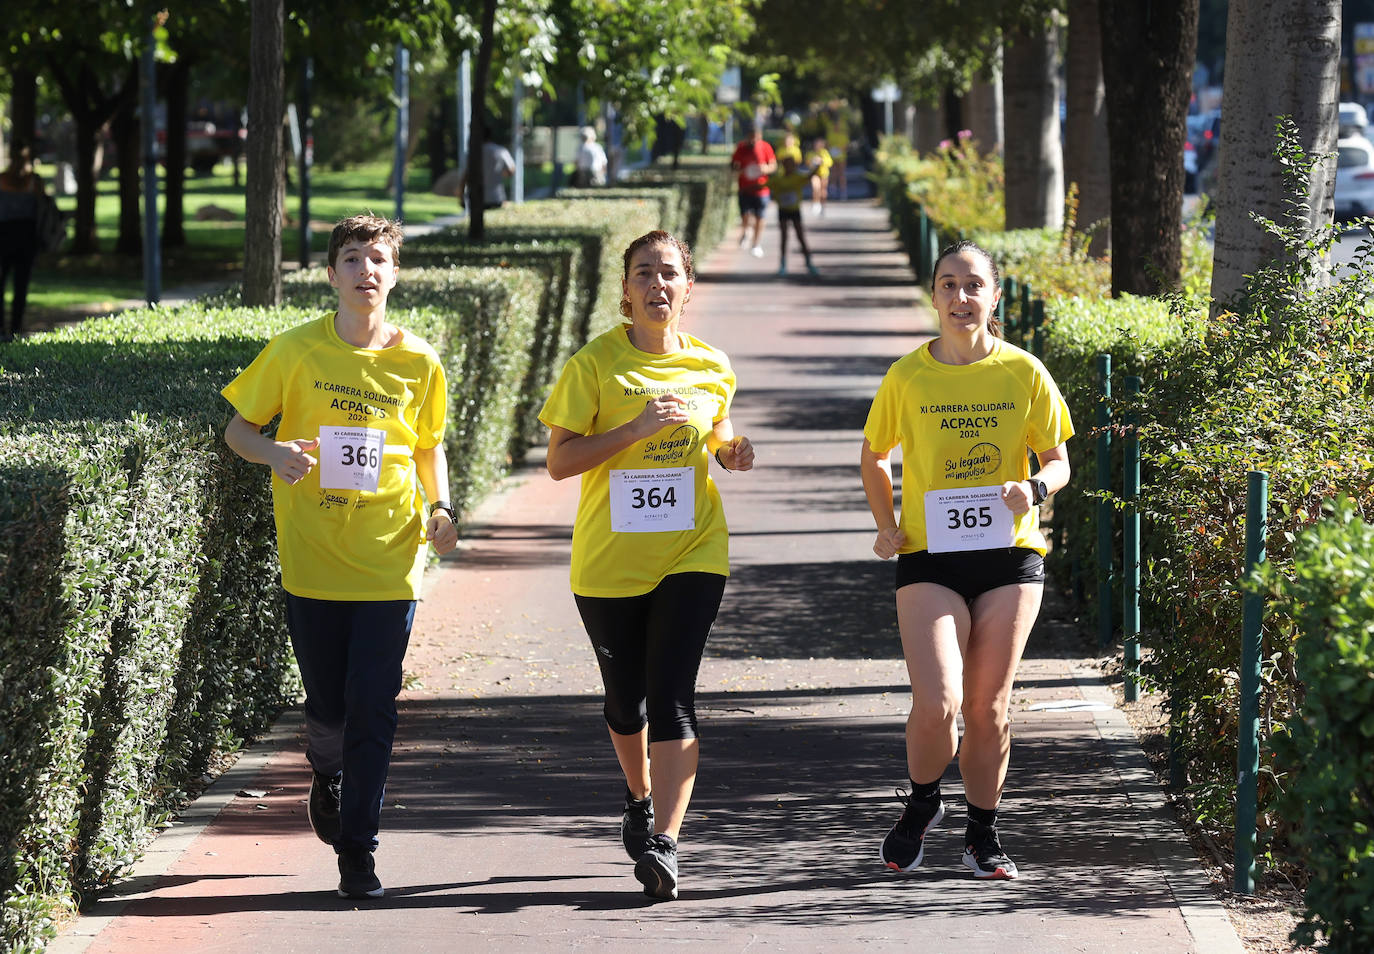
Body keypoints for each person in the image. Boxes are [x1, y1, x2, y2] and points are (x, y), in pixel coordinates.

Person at [221, 213, 459, 899]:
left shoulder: (419, 360)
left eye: (379, 258)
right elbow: (238, 429)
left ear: (395, 272)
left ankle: (359, 851)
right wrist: (274, 452)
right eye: (352, 259)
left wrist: (442, 509)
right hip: (314, 558)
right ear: (332, 275)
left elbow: (427, 445)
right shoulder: (296, 350)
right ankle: (325, 770)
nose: (367, 271)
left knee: (374, 703)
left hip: (390, 557)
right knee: (328, 705)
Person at [539, 229, 755, 901]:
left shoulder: (712, 366)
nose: (657, 285)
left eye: (669, 274)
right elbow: (559, 462)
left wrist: (732, 452)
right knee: (624, 701)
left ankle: (665, 839)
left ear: (687, 287)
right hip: (609, 562)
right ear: (625, 291)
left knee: (672, 695)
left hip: (693, 550)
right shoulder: (593, 366)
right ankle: (637, 795)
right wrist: (632, 430)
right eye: (644, 274)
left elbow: (718, 432)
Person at [859, 240, 1074, 881]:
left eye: (973, 285)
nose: (961, 297)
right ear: (934, 296)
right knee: (939, 702)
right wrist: (887, 525)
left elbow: (1059, 460)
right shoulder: (908, 376)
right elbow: (874, 455)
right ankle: (924, 802)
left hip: (1009, 555)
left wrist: (1033, 488)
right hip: (931, 556)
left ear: (995, 296)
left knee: (989, 708)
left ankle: (983, 831)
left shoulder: (1024, 372)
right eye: (948, 285)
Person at [0, 144, 45, 342]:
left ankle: (8, 329)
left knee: (16, 286)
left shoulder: (28, 181)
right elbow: (42, 210)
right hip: (20, 238)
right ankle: (13, 329)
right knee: (19, 286)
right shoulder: (33, 181)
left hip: (13, 237)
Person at [767, 155, 818, 278]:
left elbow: (809, 176)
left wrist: (817, 166)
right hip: (783, 211)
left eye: (792, 165)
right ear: (783, 166)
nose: (790, 167)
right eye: (787, 164)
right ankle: (783, 264)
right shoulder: (778, 179)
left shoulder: (797, 177)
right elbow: (764, 185)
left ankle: (809, 262)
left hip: (795, 211)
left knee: (800, 236)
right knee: (784, 237)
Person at [730, 124, 777, 257]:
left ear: (760, 137)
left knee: (760, 217)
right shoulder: (741, 147)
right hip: (744, 189)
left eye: (756, 138)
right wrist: (740, 171)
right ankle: (746, 231)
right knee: (745, 216)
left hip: (761, 190)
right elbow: (733, 166)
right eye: (751, 138)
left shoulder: (766, 147)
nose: (753, 141)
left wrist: (766, 169)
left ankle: (756, 244)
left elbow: (773, 165)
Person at [457, 134, 517, 210]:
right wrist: (498, 174)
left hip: (477, 197)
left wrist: (461, 197)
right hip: (497, 197)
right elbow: (511, 170)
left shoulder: (473, 152)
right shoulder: (501, 150)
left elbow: (466, 176)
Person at [806, 136, 833, 216]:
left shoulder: (825, 153)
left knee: (823, 191)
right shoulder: (811, 153)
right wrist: (813, 162)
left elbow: (830, 163)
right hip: (815, 173)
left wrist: (822, 161)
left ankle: (823, 205)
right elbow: (808, 163)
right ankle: (816, 204)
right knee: (815, 188)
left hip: (823, 174)